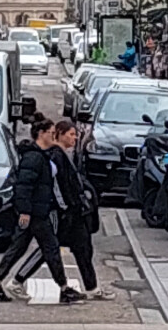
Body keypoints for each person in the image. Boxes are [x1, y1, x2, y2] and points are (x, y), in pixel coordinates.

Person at [0, 115, 86, 305]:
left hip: (36, 210)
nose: (54, 137)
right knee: (51, 248)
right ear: (41, 134)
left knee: (19, 248)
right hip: (36, 212)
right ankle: (64, 289)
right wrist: (25, 211)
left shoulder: (41, 156)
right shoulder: (34, 157)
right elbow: (24, 187)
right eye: (51, 133)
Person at [7, 120, 114, 301]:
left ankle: (91, 287)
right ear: (60, 134)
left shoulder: (66, 154)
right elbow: (57, 186)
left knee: (82, 249)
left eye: (75, 134)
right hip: (65, 212)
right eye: (71, 134)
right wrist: (65, 206)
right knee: (49, 249)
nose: (75, 138)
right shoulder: (56, 156)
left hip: (74, 211)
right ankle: (17, 281)